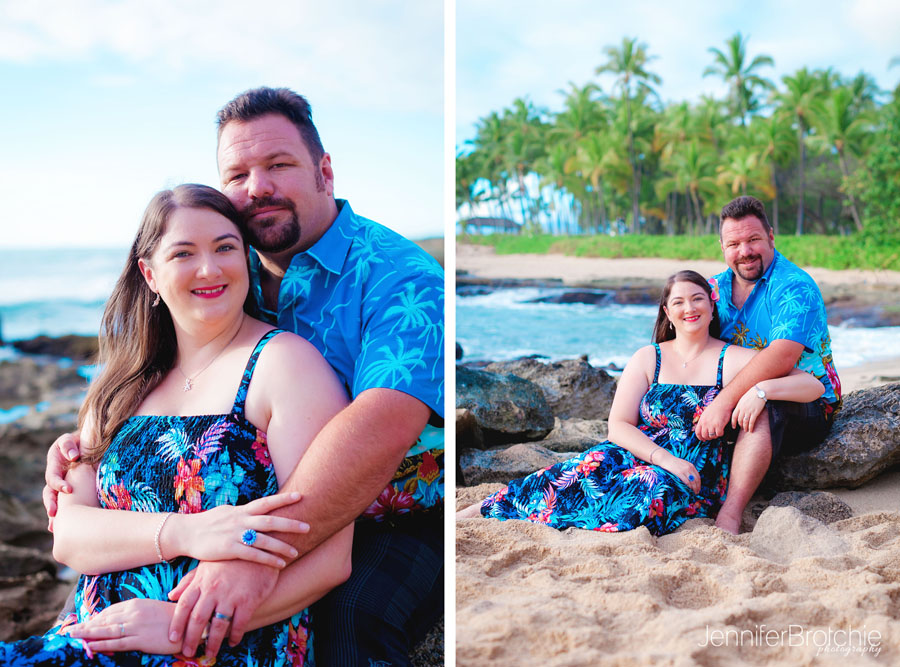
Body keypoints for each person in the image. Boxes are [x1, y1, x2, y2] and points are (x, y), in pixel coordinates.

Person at [44, 87, 444, 665]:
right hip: (230, 522)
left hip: (391, 513)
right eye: (238, 173)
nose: (258, 187)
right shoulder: (229, 266)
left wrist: (243, 560)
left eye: (279, 165)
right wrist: (94, 446)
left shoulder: (399, 278)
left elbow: (379, 427)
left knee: (355, 625)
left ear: (324, 171)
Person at [2, 184, 353, 665]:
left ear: (246, 258)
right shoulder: (118, 385)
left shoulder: (285, 365)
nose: (209, 269)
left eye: (225, 248)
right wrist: (187, 533)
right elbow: (69, 535)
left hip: (220, 645)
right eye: (183, 253)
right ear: (150, 273)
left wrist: (180, 626)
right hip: (89, 636)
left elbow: (330, 559)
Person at [457, 271, 824, 535]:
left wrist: (759, 392)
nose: (689, 308)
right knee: (566, 475)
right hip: (641, 452)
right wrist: (663, 457)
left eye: (698, 299)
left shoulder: (731, 358)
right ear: (667, 312)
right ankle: (480, 512)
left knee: (647, 491)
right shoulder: (649, 358)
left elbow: (812, 385)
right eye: (678, 301)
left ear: (713, 309)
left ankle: (560, 522)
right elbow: (618, 426)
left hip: (694, 469)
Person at [694, 196, 841, 534]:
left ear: (771, 237)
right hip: (740, 391)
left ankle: (731, 514)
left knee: (760, 407)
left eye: (753, 240)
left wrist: (724, 401)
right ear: (722, 246)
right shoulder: (714, 289)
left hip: (807, 399)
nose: (744, 251)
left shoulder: (793, 286)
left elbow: (780, 358)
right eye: (734, 243)